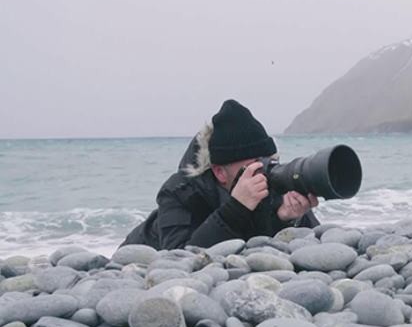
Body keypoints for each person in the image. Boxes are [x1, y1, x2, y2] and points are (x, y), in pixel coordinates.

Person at [121, 99, 319, 250]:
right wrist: (237, 208)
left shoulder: (274, 182)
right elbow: (179, 258)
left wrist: (286, 220)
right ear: (220, 172)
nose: (262, 171)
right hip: (134, 260)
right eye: (252, 166)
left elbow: (318, 246)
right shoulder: (181, 192)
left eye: (267, 161)